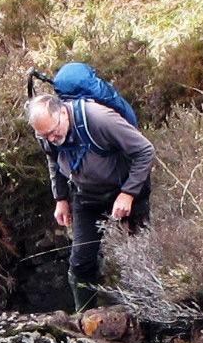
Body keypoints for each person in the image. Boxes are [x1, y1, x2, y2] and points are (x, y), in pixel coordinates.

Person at [25, 92, 154, 312]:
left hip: (125, 194)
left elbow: (145, 151)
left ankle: (149, 311)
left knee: (141, 255)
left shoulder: (99, 119)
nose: (52, 139)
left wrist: (128, 194)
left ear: (63, 113)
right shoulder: (47, 134)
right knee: (80, 262)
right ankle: (85, 319)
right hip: (86, 196)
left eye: (54, 132)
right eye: (45, 136)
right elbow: (54, 161)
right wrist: (61, 198)